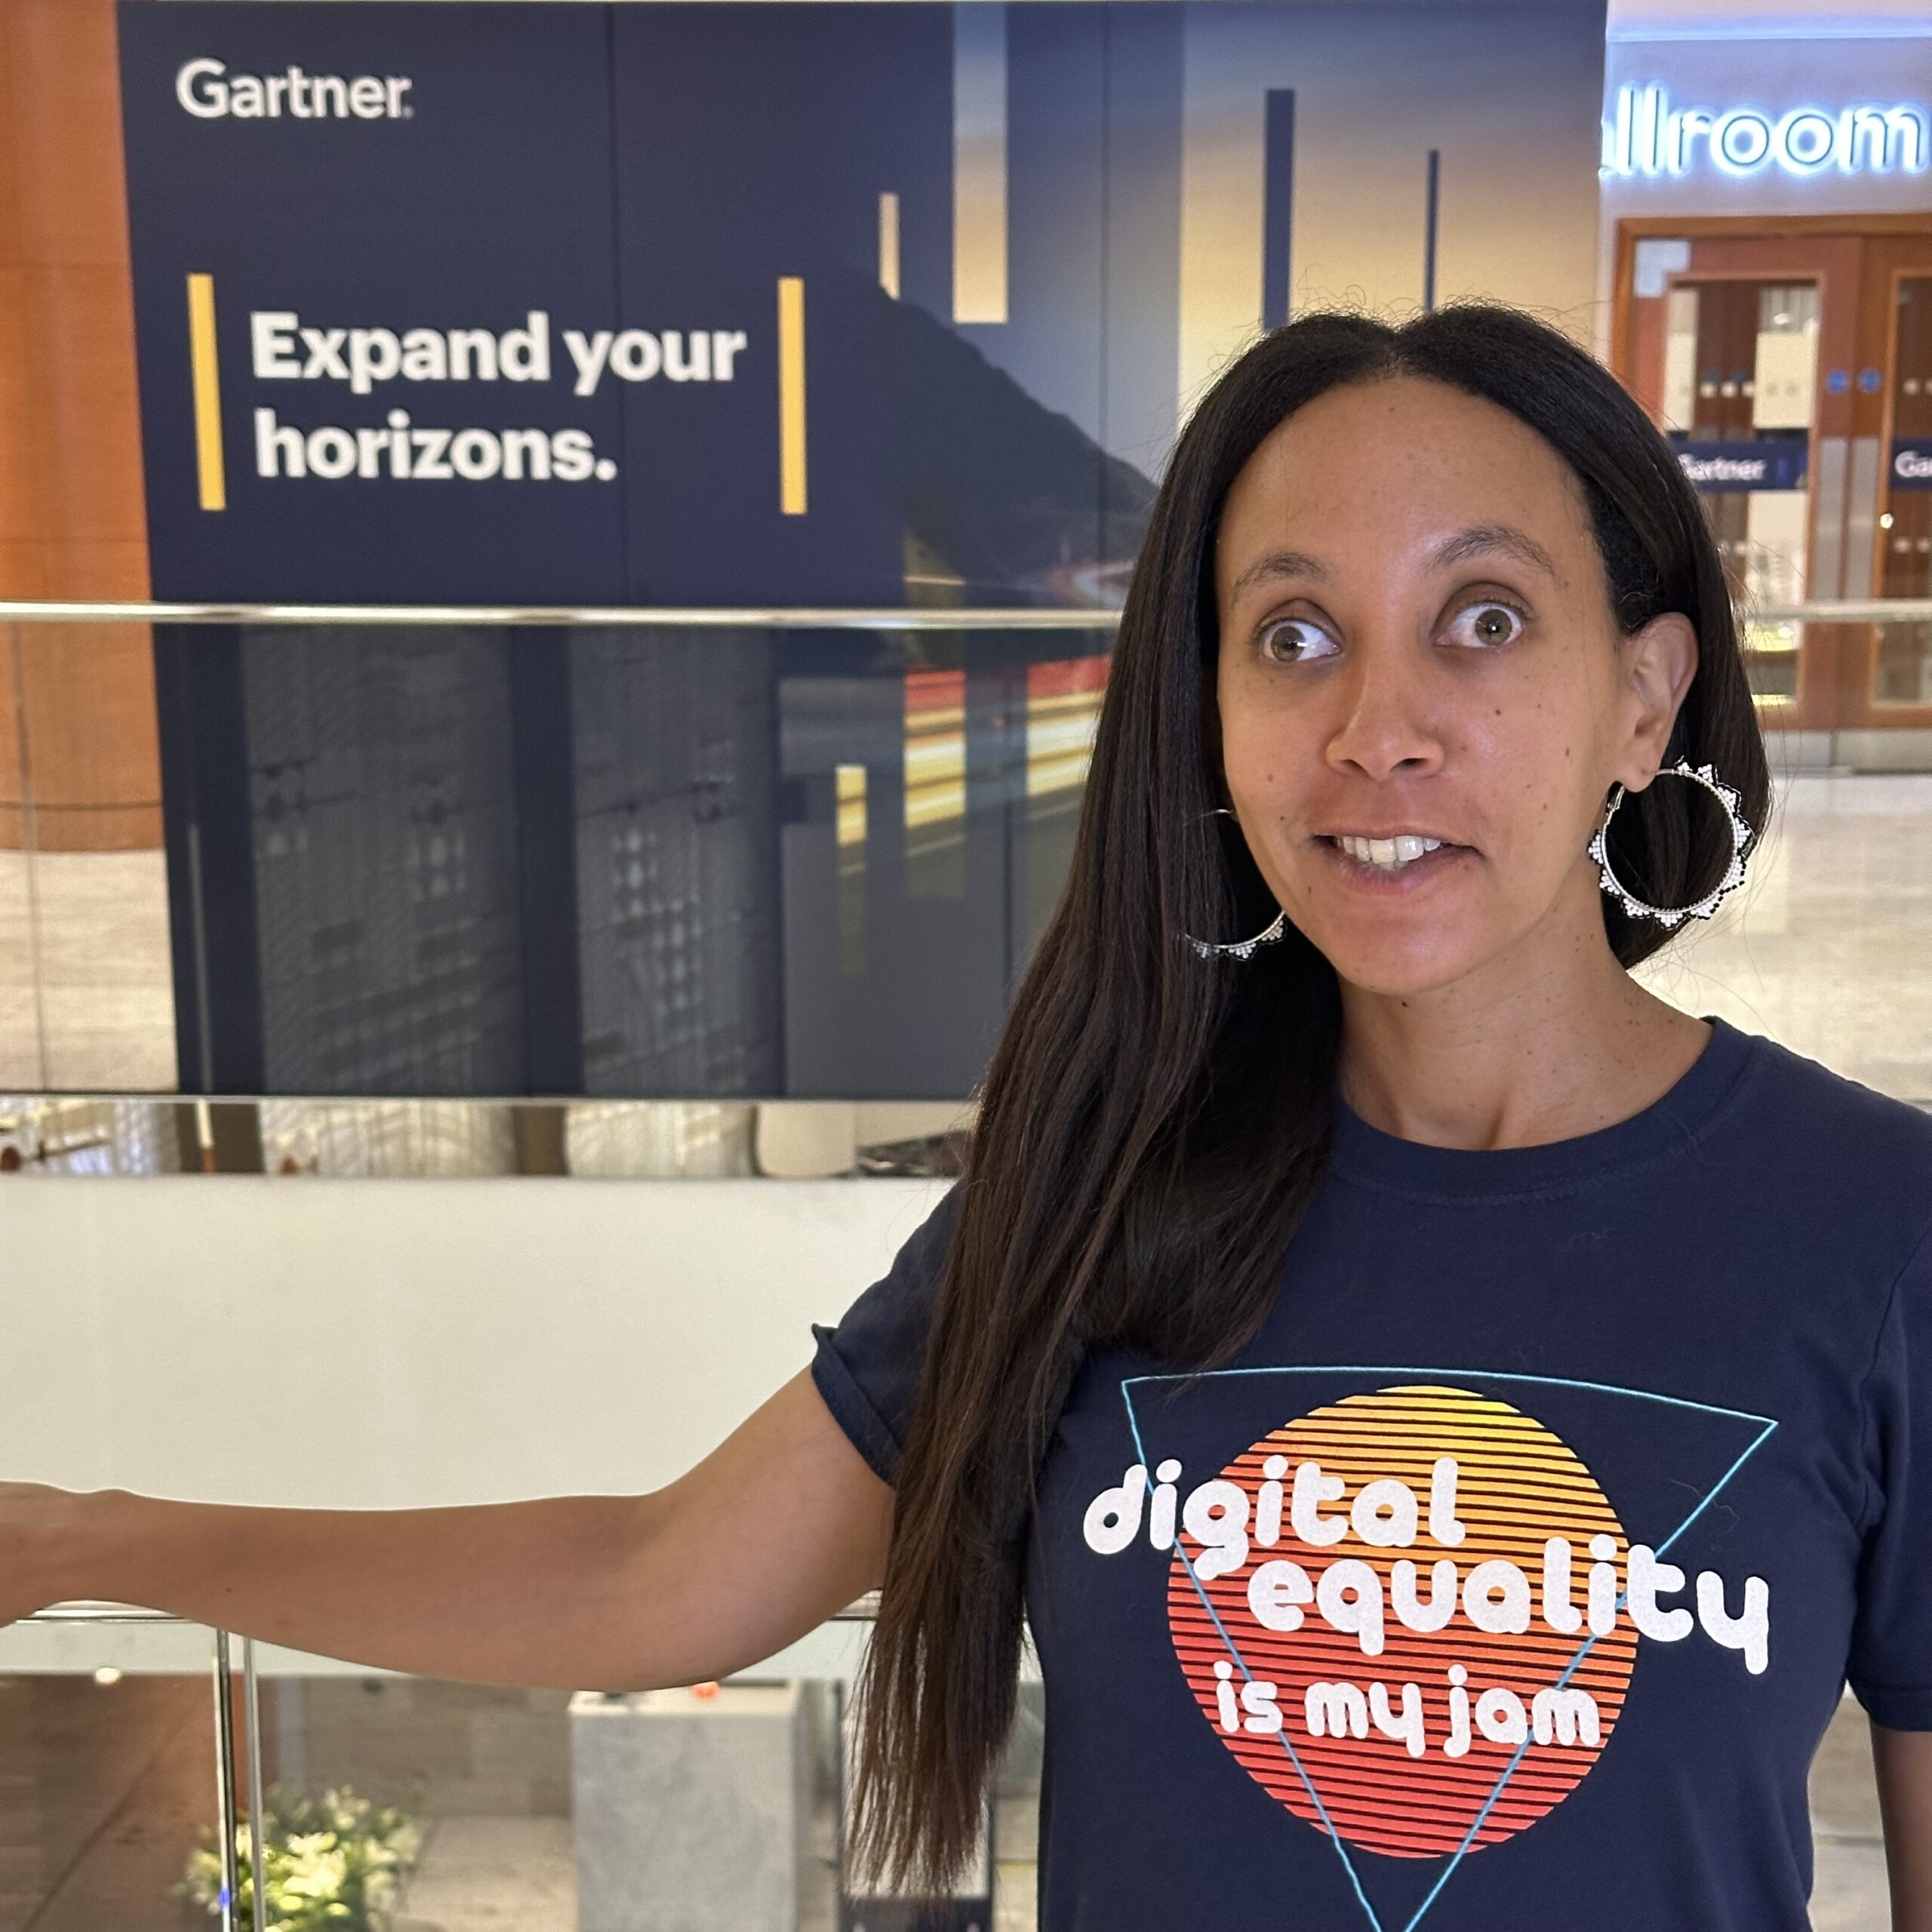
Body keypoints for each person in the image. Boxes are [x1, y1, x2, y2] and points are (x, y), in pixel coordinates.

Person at [5, 306, 1929, 1930]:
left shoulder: (1873, 1232)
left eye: (1484, 619)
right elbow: (648, 1578)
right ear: (1206, 711)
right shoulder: (1100, 1190)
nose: (1374, 725)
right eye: (1290, 633)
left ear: (1644, 693)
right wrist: (81, 1535)